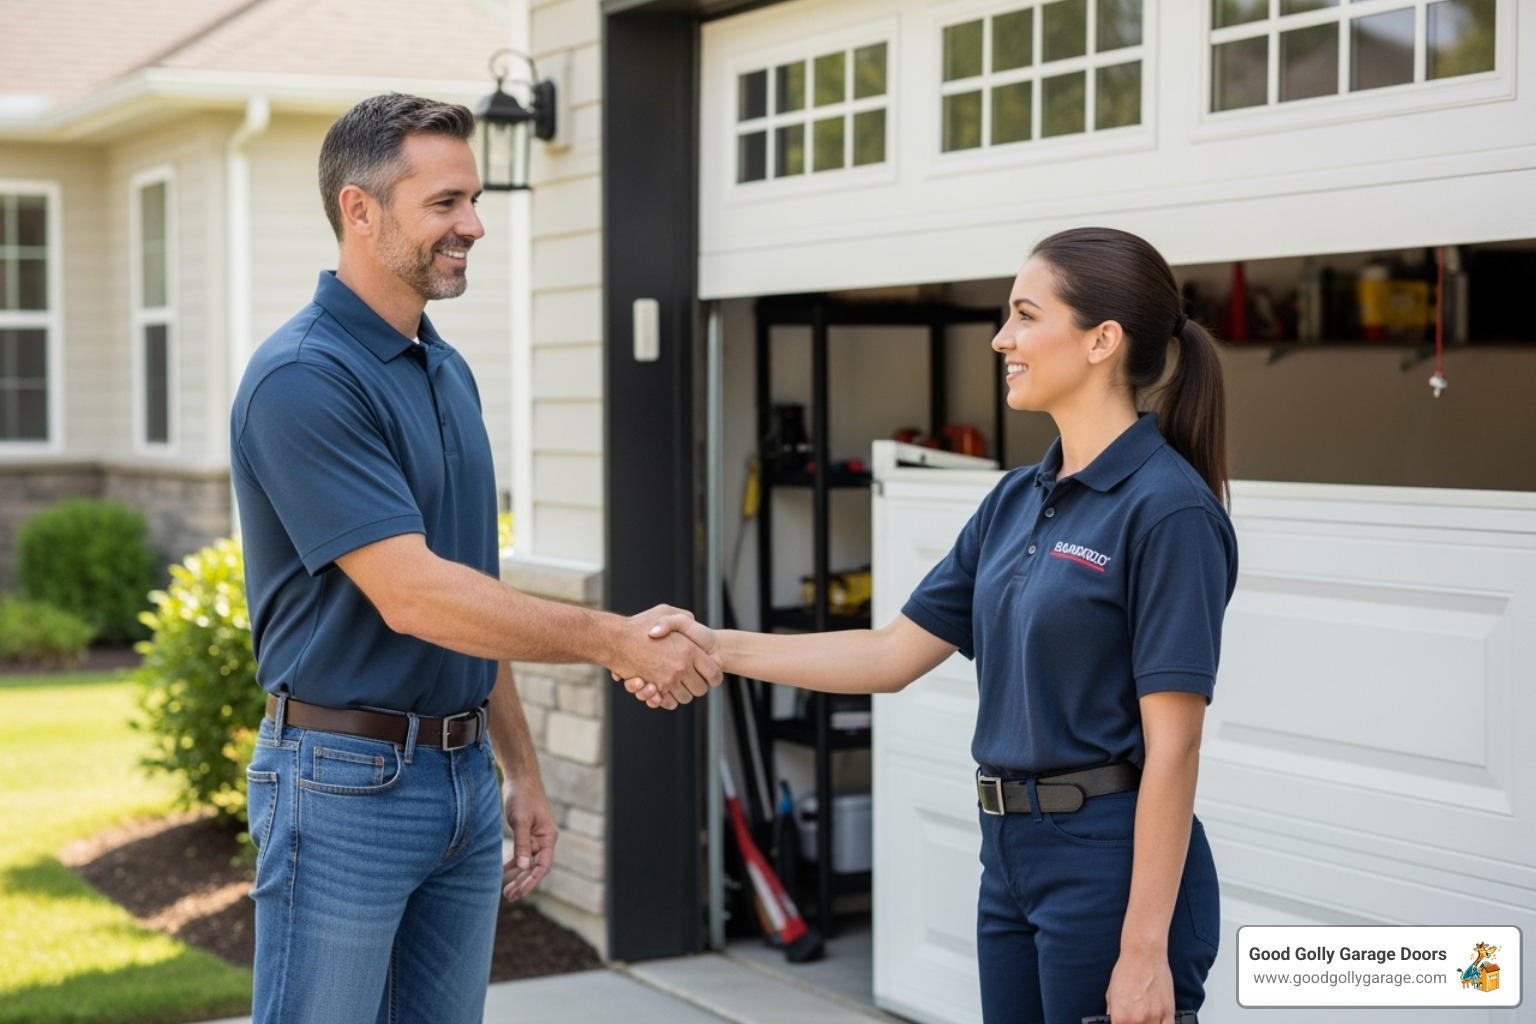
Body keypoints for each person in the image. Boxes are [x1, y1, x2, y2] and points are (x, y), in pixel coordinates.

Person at [633, 227, 1237, 1024]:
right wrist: (714, 645)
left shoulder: (1167, 511)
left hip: (1110, 866)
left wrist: (1144, 948)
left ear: (1102, 340)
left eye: (1025, 315)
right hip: (1012, 859)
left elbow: (1176, 745)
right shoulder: (1017, 499)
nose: (1001, 338)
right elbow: (890, 652)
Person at [230, 92, 719, 1024]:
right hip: (342, 785)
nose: (475, 226)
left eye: (476, 200)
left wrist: (517, 767)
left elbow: (470, 590)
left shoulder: (443, 369)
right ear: (359, 210)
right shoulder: (304, 378)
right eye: (446, 203)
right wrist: (614, 639)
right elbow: (414, 596)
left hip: (457, 780)